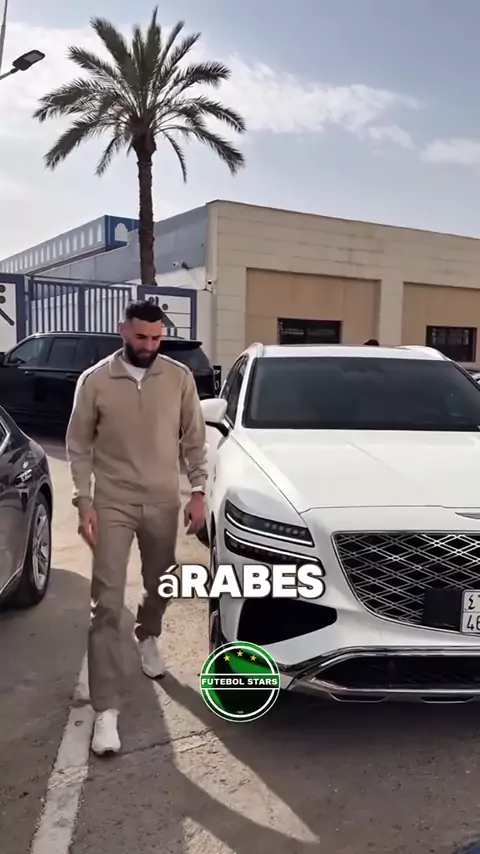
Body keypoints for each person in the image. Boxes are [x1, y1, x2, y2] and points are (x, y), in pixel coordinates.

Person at [66, 299, 207, 756]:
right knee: (106, 602)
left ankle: (147, 634)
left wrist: (199, 491)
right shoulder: (95, 381)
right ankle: (106, 711)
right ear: (123, 330)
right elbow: (78, 445)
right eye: (141, 336)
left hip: (163, 501)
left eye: (156, 338)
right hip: (112, 502)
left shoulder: (178, 378)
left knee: (160, 582)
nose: (148, 345)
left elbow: (194, 439)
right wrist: (83, 501)